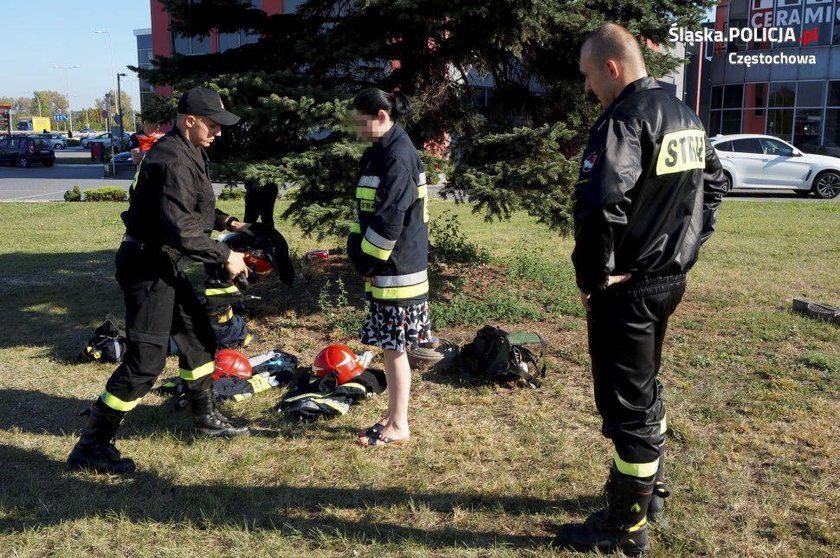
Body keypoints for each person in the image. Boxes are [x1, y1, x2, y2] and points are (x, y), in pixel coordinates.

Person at [552, 24, 727, 555]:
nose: (587, 90)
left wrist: (593, 279)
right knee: (645, 388)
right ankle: (646, 494)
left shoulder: (625, 119)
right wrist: (683, 246)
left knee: (627, 405)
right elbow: (716, 184)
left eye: (588, 77)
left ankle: (624, 526)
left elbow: (599, 205)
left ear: (612, 67)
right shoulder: (687, 116)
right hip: (667, 281)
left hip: (628, 289)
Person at [67, 87, 251, 475]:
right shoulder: (172, 160)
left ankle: (204, 415)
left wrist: (228, 222)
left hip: (163, 263)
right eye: (213, 125)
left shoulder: (189, 151)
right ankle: (92, 445)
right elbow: (182, 230)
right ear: (190, 121)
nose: (218, 132)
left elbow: (193, 204)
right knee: (145, 362)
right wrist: (226, 254)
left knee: (197, 337)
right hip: (147, 266)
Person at [347, 88, 430, 448]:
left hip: (397, 271)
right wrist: (358, 254)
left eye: (362, 124)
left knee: (395, 349)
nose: (358, 132)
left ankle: (398, 424)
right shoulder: (382, 152)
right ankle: (392, 414)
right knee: (389, 346)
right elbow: (367, 212)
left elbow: (390, 221)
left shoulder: (397, 156)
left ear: (382, 116)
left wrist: (367, 261)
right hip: (387, 268)